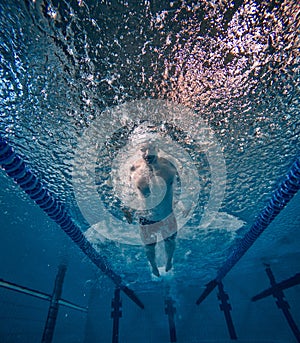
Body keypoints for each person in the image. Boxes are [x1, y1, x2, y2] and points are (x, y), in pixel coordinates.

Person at [124, 142, 178, 277]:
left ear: (158, 149)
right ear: (139, 150)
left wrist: (183, 203)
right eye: (143, 149)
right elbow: (127, 191)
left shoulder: (170, 166)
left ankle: (169, 261)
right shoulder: (133, 169)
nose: (147, 154)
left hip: (167, 215)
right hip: (146, 218)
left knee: (170, 241)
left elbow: (181, 184)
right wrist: (127, 209)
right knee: (149, 247)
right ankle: (153, 266)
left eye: (151, 149)